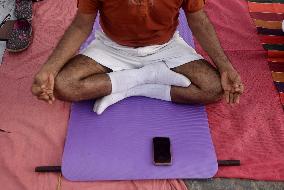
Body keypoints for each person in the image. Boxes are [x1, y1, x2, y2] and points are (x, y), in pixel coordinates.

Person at [31, 0, 244, 114]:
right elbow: (80, 25)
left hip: (165, 47)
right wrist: (49, 69)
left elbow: (199, 21)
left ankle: (135, 82)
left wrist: (225, 67)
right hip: (112, 47)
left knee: (214, 87)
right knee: (62, 85)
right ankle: (144, 77)